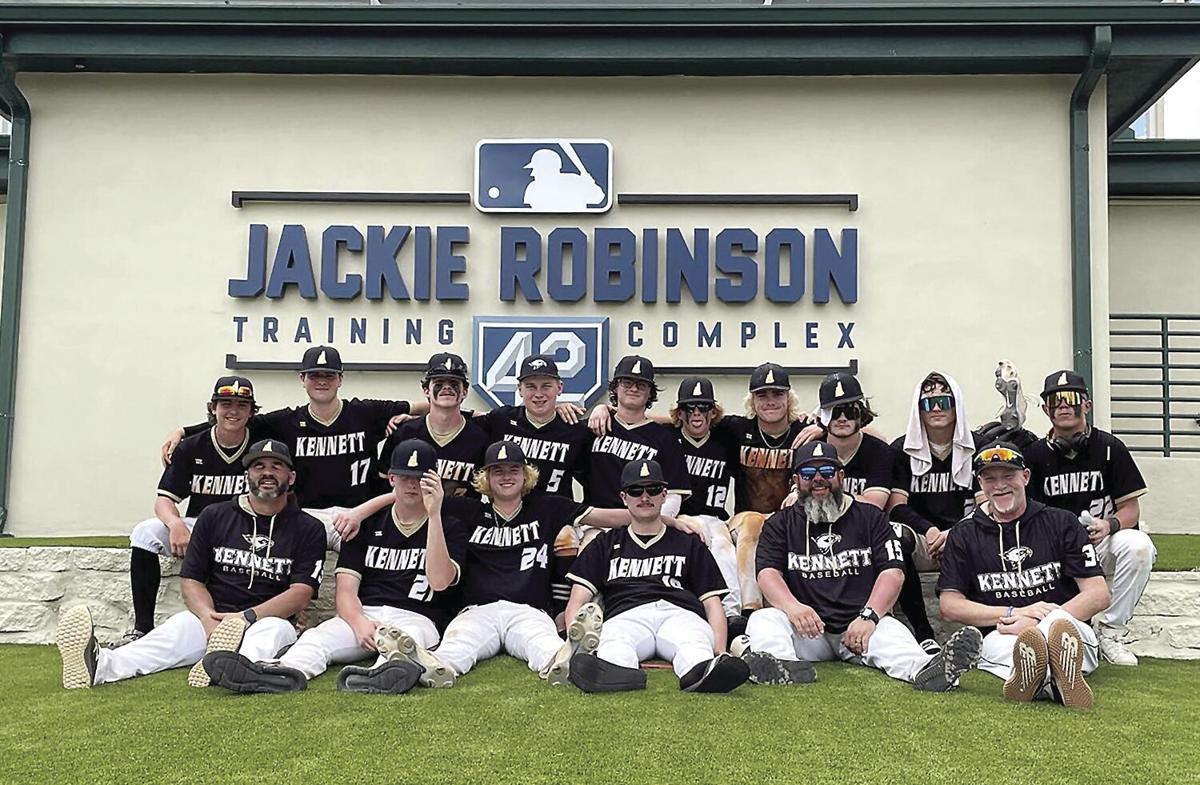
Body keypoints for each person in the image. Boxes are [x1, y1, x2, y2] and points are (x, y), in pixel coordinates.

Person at [390, 441, 679, 687]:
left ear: (525, 474)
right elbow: (404, 500)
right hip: (478, 609)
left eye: (513, 469)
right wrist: (358, 513)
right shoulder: (466, 510)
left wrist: (665, 519)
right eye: (497, 471)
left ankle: (570, 660)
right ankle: (427, 666)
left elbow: (604, 517)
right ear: (486, 478)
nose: (506, 476)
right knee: (457, 646)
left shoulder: (547, 507)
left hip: (529, 609)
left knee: (545, 646)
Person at [200, 439, 466, 694]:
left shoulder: (449, 525)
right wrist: (358, 621)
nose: (412, 484)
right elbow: (346, 591)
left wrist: (433, 515)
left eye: (420, 478)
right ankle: (280, 673)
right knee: (316, 639)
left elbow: (440, 582)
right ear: (391, 479)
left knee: (405, 644)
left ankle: (383, 675)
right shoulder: (366, 526)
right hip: (365, 612)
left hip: (417, 616)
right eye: (405, 477)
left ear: (435, 482)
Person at [55, 440, 327, 689]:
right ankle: (100, 665)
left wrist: (246, 618)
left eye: (276, 466)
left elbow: (300, 593)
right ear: (247, 477)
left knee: (267, 635)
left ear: (291, 477)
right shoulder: (215, 516)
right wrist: (208, 618)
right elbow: (192, 578)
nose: (267, 473)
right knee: (171, 634)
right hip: (212, 616)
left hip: (268, 619)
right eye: (258, 466)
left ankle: (228, 667)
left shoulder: (308, 528)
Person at [738, 441, 981, 692]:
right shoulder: (780, 523)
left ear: (841, 476)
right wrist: (793, 608)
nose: (818, 480)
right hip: (808, 629)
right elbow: (767, 573)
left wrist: (870, 615)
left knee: (893, 635)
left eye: (827, 473)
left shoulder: (870, 516)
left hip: (860, 625)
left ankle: (929, 671)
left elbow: (893, 571)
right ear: (796, 480)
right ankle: (781, 665)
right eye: (809, 474)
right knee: (764, 619)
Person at [163, 345, 426, 548]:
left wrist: (465, 415)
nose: (321, 381)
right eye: (314, 375)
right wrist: (184, 431)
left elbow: (429, 406)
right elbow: (235, 420)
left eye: (329, 375)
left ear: (340, 379)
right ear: (302, 378)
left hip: (357, 512)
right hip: (306, 515)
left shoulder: (365, 412)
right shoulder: (285, 421)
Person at [938, 442, 1111, 709]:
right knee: (1008, 648)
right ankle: (1055, 682)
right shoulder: (964, 534)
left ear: (1026, 477)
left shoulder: (1062, 522)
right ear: (980, 483)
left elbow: (1098, 594)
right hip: (1004, 632)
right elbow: (949, 606)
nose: (1000, 485)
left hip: (1066, 626)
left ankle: (1039, 679)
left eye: (1008, 476)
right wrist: (1012, 614)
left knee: (1065, 638)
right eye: (990, 478)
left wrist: (1041, 624)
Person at [562, 460, 750, 694]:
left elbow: (712, 605)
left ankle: (705, 672)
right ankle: (613, 673)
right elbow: (577, 602)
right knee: (614, 643)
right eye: (635, 491)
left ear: (663, 495)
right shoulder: (605, 543)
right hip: (626, 613)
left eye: (652, 490)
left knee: (695, 643)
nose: (644, 497)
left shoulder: (688, 542)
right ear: (624, 497)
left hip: (680, 613)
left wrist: (719, 651)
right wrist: (575, 643)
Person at [1023, 370, 1155, 666]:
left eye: (1071, 398)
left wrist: (1109, 525)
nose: (1064, 406)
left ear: (1087, 404)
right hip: (1055, 553)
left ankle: (1111, 631)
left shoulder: (1110, 448)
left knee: (1138, 545)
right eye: (1055, 401)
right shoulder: (1032, 455)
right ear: (1046, 410)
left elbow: (1131, 509)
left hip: (1099, 544)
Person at [122, 375, 259, 646]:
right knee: (144, 533)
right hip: (200, 524)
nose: (233, 411)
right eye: (225, 404)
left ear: (252, 411)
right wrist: (175, 524)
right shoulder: (191, 447)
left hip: (246, 527)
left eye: (242, 405)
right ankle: (142, 627)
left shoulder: (261, 442)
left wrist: (181, 429)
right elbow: (163, 499)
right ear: (213, 408)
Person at [887, 371, 976, 653]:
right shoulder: (902, 449)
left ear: (956, 405)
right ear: (919, 410)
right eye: (928, 403)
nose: (936, 408)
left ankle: (986, 629)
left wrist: (955, 532)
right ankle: (923, 633)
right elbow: (896, 506)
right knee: (895, 537)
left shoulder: (978, 446)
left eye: (943, 401)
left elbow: (988, 505)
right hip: (925, 537)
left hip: (967, 533)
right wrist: (931, 531)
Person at [473, 354, 593, 499]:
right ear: (519, 389)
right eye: (531, 387)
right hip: (508, 514)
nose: (538, 394)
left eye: (546, 386)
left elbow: (594, 479)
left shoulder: (575, 430)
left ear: (559, 388)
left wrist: (603, 409)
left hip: (556, 516)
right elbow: (459, 419)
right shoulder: (501, 420)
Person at [375, 352, 489, 498]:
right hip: (413, 518)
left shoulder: (479, 438)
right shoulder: (405, 433)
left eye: (454, 384)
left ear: (465, 392)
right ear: (426, 390)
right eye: (439, 384)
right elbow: (383, 483)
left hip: (462, 519)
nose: (447, 388)